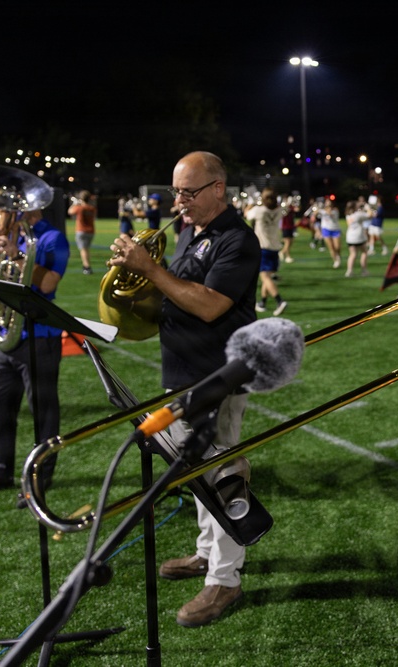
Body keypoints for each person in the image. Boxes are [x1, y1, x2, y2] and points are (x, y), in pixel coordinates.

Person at [107, 151, 260, 628]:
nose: (179, 201)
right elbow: (176, 292)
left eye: (188, 192)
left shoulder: (237, 238)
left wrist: (149, 271)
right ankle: (205, 554)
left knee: (222, 475)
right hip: (184, 370)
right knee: (195, 467)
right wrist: (136, 286)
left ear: (218, 188)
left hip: (218, 373)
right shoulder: (194, 232)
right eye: (176, 191)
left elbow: (212, 305)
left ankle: (225, 580)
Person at [0, 205, 70, 508]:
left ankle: (41, 476)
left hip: (39, 339)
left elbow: (48, 284)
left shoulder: (51, 238)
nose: (1, 211)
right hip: (6, 338)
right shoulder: (5, 235)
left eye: (9, 204)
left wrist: (17, 256)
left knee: (42, 412)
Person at [245, 187, 288, 315]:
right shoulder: (279, 210)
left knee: (264, 277)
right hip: (275, 247)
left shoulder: (259, 211)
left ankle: (279, 301)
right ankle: (263, 302)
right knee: (267, 277)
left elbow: (247, 214)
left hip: (263, 247)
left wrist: (250, 203)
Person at [68, 190, 97, 275]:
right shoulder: (92, 208)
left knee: (83, 250)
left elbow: (70, 211)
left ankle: (86, 266)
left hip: (81, 231)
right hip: (91, 231)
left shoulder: (79, 208)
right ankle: (86, 264)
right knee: (86, 249)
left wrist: (75, 203)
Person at [344, 199, 370, 277]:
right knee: (364, 252)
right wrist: (367, 207)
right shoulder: (358, 214)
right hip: (359, 236)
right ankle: (364, 270)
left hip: (350, 236)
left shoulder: (348, 214)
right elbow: (370, 215)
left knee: (352, 254)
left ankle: (349, 271)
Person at [319, 199, 342, 268]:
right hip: (326, 230)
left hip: (335, 229)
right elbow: (315, 213)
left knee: (337, 247)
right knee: (331, 247)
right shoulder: (322, 210)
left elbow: (329, 213)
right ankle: (336, 261)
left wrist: (325, 209)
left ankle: (338, 256)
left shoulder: (335, 210)